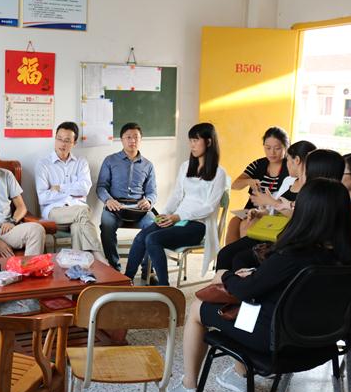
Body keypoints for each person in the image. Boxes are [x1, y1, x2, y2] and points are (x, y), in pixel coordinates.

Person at [167, 178, 351, 392]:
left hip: (274, 342)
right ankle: (239, 374)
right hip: (322, 343)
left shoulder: (294, 255)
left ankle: (189, 387)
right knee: (250, 303)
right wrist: (256, 276)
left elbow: (245, 291)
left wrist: (227, 275)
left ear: (306, 212)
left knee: (198, 308)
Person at [124, 123, 226, 285]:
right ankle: (126, 280)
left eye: (196, 140)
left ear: (208, 142)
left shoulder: (219, 173)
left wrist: (178, 217)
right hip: (177, 219)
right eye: (190, 140)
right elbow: (177, 195)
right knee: (141, 237)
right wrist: (164, 215)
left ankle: (164, 287)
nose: (192, 145)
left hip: (197, 225)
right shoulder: (186, 166)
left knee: (152, 239)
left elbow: (209, 207)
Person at [216, 148, 344, 273]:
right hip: (280, 234)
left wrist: (274, 203)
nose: (301, 169)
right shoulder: (308, 190)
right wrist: (268, 209)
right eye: (267, 147)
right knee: (227, 253)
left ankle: (230, 281)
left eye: (305, 167)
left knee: (240, 259)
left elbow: (301, 221)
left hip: (289, 242)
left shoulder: (319, 197)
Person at [35, 122, 105, 261]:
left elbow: (84, 188)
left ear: (74, 143)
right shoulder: (43, 164)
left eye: (67, 140)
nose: (62, 143)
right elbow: (43, 197)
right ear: (55, 139)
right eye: (59, 139)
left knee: (78, 226)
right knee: (83, 212)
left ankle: (77, 266)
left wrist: (60, 188)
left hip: (77, 213)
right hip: (54, 213)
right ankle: (98, 256)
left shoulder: (81, 163)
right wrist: (73, 189)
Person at [97, 122, 157, 272]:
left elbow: (152, 192)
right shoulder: (110, 160)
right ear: (121, 139)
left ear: (141, 139)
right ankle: (114, 269)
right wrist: (108, 200)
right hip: (115, 206)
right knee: (106, 225)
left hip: (138, 208)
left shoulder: (148, 165)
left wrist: (149, 201)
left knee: (154, 227)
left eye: (136, 137)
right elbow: (101, 187)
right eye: (128, 137)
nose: (132, 141)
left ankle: (147, 269)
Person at [226, 127, 290, 244]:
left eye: (277, 148)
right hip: (252, 209)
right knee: (234, 222)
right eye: (268, 148)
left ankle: (244, 253)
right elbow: (234, 185)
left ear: (286, 147)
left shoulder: (290, 167)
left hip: (274, 212)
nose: (272, 152)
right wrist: (248, 181)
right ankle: (229, 254)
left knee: (246, 225)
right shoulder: (258, 164)